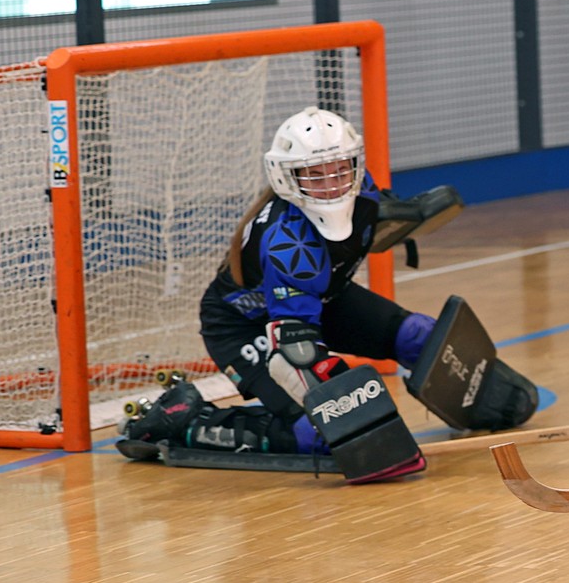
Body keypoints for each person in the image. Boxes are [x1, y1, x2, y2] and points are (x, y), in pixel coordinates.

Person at [119, 106, 537, 482]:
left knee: (420, 336)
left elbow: (366, 231)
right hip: (246, 327)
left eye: (339, 169)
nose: (332, 185)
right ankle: (186, 421)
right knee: (318, 432)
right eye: (315, 175)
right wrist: (358, 421)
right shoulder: (289, 245)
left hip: (322, 300)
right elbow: (297, 353)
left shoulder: (363, 189)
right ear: (286, 176)